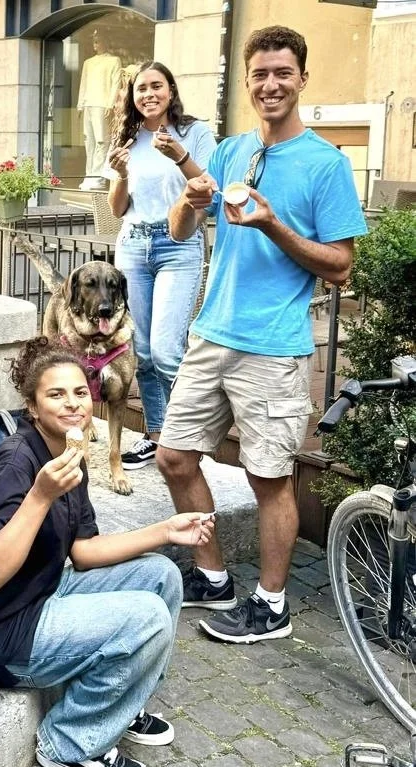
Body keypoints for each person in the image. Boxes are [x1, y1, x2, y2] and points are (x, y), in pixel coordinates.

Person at [161, 26, 367, 642]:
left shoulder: (326, 165)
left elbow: (341, 264)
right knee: (174, 457)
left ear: (302, 78)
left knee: (269, 477)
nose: (270, 84)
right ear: (248, 82)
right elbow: (179, 232)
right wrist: (189, 199)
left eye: (282, 73)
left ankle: (271, 604)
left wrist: (274, 224)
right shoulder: (229, 151)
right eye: (260, 74)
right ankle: (214, 575)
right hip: (211, 333)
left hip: (272, 346)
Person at [0, 336, 214, 767]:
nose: (72, 404)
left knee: (163, 576)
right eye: (55, 394)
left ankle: (123, 705)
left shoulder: (71, 451)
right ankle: (67, 743)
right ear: (31, 407)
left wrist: (166, 531)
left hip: (44, 593)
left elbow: (83, 551)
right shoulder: (14, 463)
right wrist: (40, 496)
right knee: (144, 618)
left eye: (79, 392)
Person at [105, 61, 216, 472]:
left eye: (156, 86)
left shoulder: (195, 133)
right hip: (133, 244)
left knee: (169, 352)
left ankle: (186, 439)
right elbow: (118, 209)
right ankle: (157, 437)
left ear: (171, 90)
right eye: (140, 89)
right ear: (133, 98)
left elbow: (210, 186)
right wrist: (119, 175)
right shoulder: (126, 139)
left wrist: (180, 154)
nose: (148, 93)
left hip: (179, 244)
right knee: (145, 353)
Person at [77, 30, 122, 191]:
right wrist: (80, 104)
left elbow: (116, 83)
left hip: (103, 105)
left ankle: (98, 176)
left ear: (106, 42)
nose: (96, 44)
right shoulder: (88, 62)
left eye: (99, 41)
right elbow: (84, 83)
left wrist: (111, 104)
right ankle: (89, 174)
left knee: (102, 140)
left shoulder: (114, 60)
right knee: (89, 141)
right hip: (89, 103)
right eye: (94, 41)